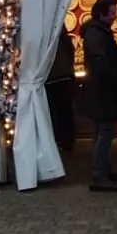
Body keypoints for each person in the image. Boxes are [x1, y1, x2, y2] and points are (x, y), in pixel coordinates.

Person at [80, 0, 117, 192]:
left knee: (103, 132)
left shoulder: (98, 32)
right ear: (103, 13)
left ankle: (103, 169)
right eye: (113, 11)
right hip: (103, 92)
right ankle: (99, 174)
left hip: (102, 91)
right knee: (105, 132)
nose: (116, 15)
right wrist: (115, 80)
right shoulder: (97, 34)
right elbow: (101, 63)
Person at [46, 25, 77, 154]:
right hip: (63, 74)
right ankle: (66, 140)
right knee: (64, 110)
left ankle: (57, 140)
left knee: (53, 110)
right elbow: (70, 49)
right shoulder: (59, 28)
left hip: (50, 75)